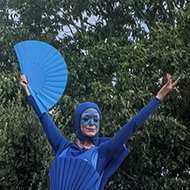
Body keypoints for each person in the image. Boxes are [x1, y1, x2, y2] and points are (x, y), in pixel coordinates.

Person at [20, 74, 179, 190]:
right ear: (78, 121)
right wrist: (28, 89)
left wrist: (159, 97)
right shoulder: (63, 148)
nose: (92, 124)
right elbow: (43, 117)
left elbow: (132, 125)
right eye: (87, 118)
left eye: (96, 120)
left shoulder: (102, 153)